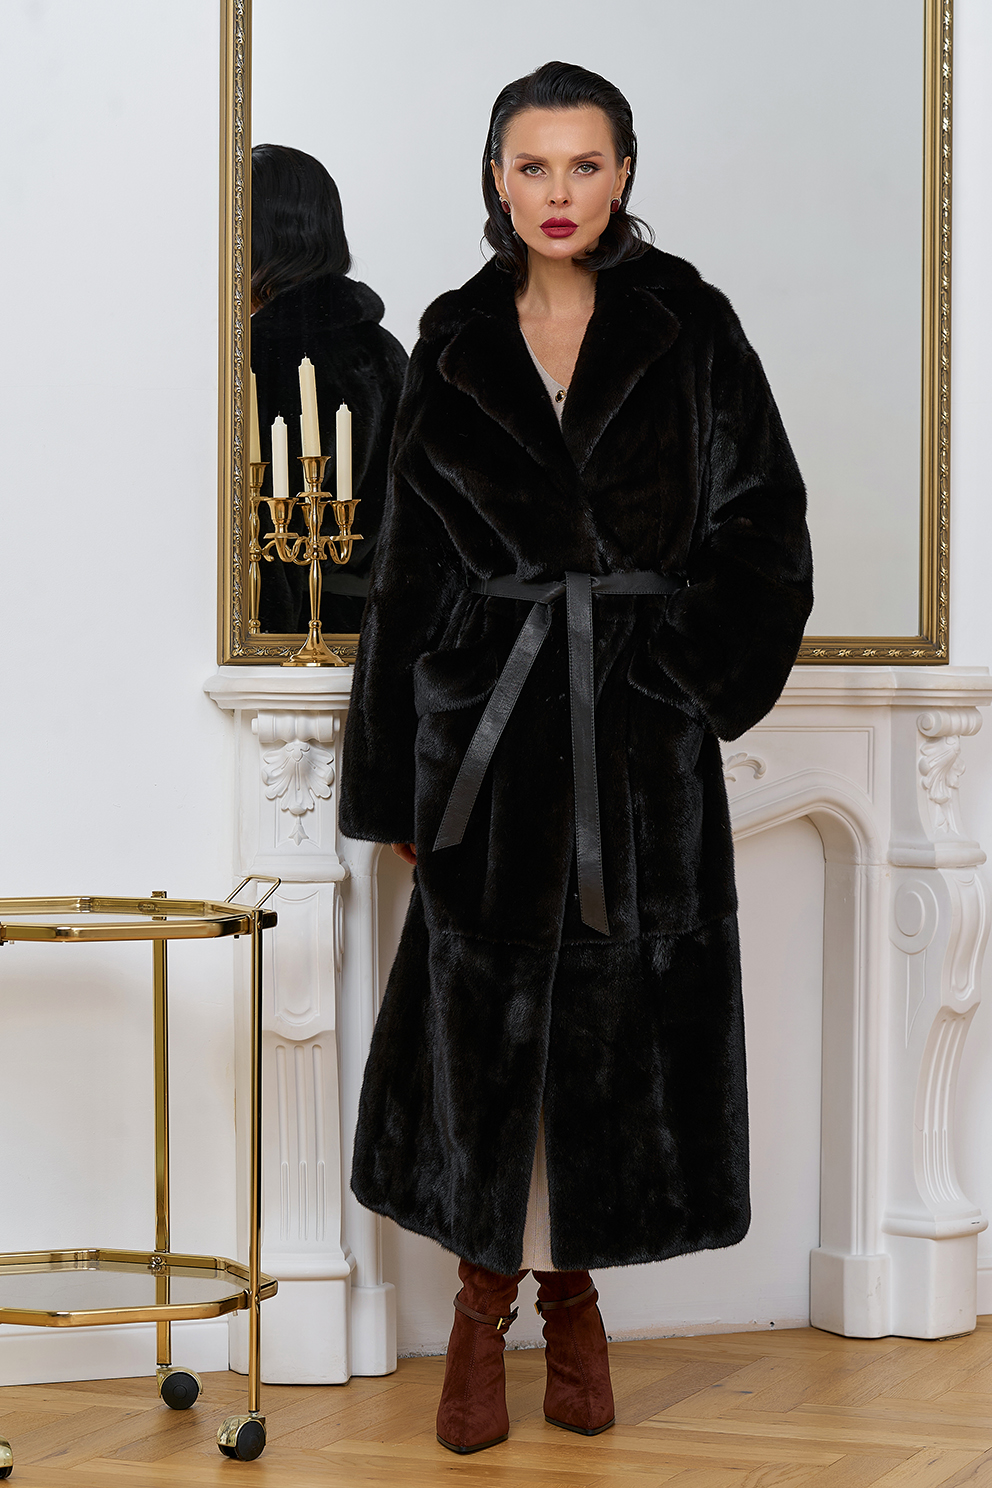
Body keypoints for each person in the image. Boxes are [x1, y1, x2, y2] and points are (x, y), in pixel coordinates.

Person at [338, 61, 813, 1455]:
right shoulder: (452, 337)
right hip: (485, 751)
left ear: (623, 174)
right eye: (533, 165)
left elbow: (766, 533)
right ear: (496, 177)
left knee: (610, 1046)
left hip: (638, 753)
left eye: (584, 164)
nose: (558, 192)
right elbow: (406, 571)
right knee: (487, 1043)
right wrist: (399, 779)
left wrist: (673, 681)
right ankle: (481, 1306)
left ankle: (574, 1296)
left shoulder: (689, 326)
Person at [250, 144, 408, 634]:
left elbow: (269, 534)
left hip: (292, 633)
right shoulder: (385, 349)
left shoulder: (263, 355)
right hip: (383, 628)